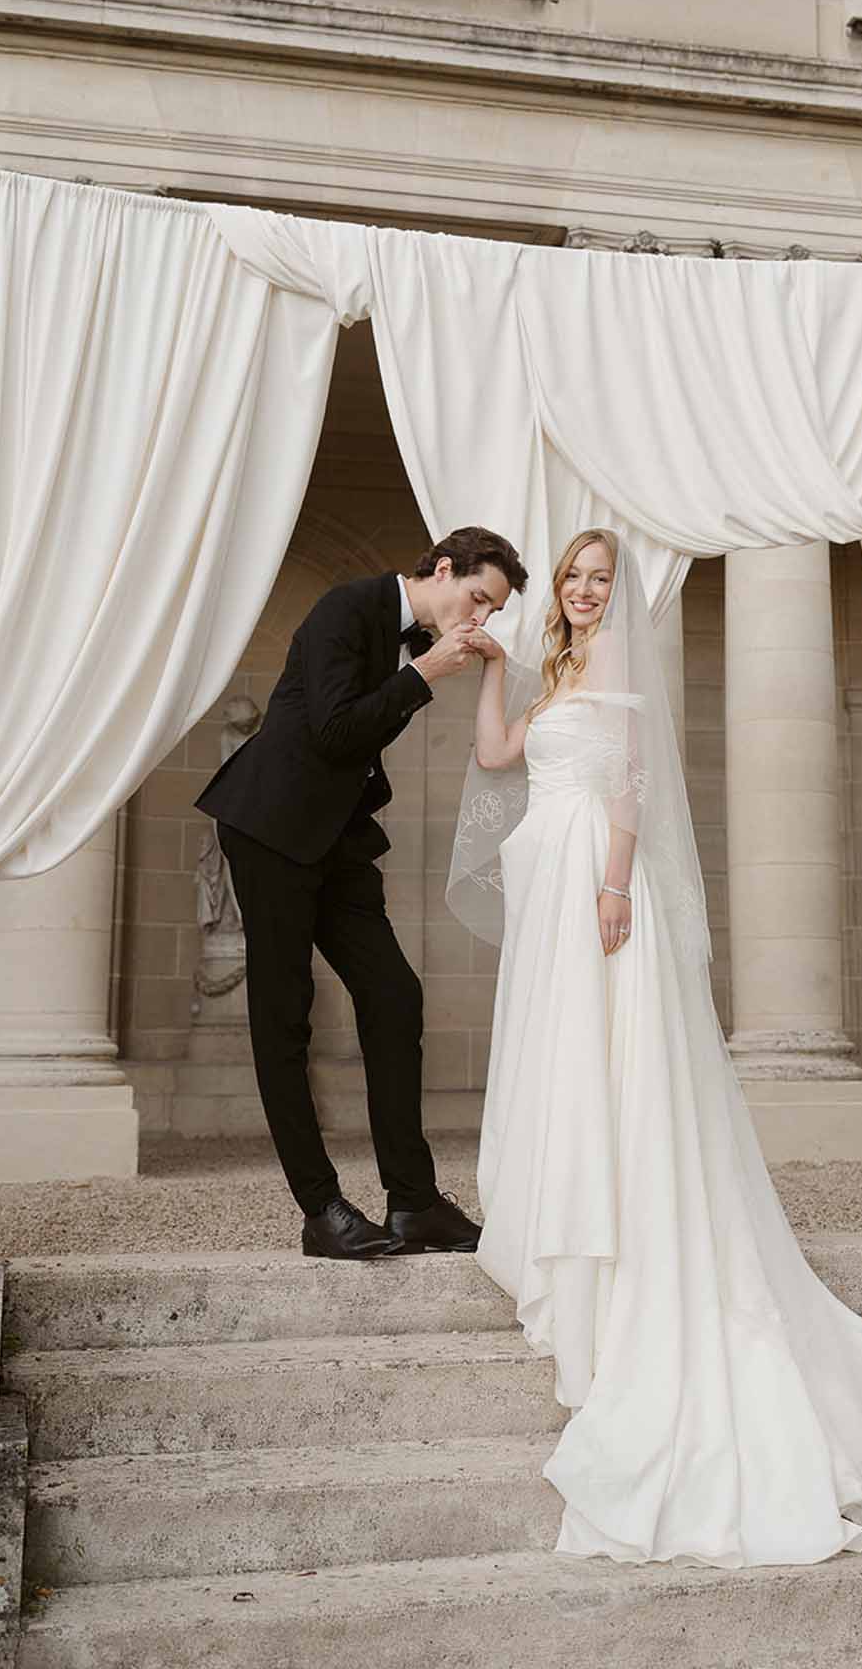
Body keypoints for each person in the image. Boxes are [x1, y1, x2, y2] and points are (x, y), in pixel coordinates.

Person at [454, 528, 862, 1567]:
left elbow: (630, 785)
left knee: (615, 1062)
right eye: (571, 577)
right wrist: (488, 673)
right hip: (550, 875)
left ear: (617, 593)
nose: (581, 590)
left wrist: (614, 885)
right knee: (565, 1064)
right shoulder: (561, 667)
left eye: (599, 578)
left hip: (596, 882)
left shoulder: (613, 655)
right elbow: (495, 756)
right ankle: (579, 1210)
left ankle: (622, 1234)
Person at [197, 526, 527, 1261]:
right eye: (477, 597)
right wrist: (426, 674)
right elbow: (336, 729)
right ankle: (321, 1211)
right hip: (272, 829)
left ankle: (412, 1203)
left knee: (395, 995)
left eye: (493, 610)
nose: (481, 618)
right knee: (284, 1019)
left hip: (338, 843)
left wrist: (425, 670)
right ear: (442, 568)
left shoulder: (411, 638)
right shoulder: (346, 610)